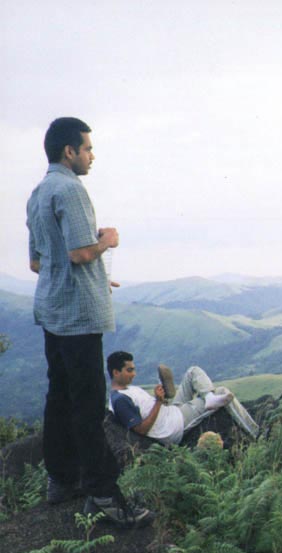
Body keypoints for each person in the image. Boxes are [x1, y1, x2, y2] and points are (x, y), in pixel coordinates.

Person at [26, 117, 153, 528]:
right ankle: (103, 493)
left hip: (53, 311)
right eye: (88, 148)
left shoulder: (38, 192)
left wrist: (93, 271)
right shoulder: (71, 189)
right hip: (79, 318)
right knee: (87, 404)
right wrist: (107, 242)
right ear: (69, 151)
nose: (92, 156)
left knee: (59, 397)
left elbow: (38, 262)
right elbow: (82, 253)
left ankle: (60, 480)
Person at [107, 351, 260, 444]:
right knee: (222, 391)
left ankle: (208, 396)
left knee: (192, 372)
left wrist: (161, 400)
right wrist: (158, 403)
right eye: (129, 370)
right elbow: (141, 429)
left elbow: (148, 411)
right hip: (174, 425)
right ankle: (255, 435)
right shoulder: (120, 400)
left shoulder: (130, 389)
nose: (134, 374)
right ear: (116, 372)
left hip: (171, 411)